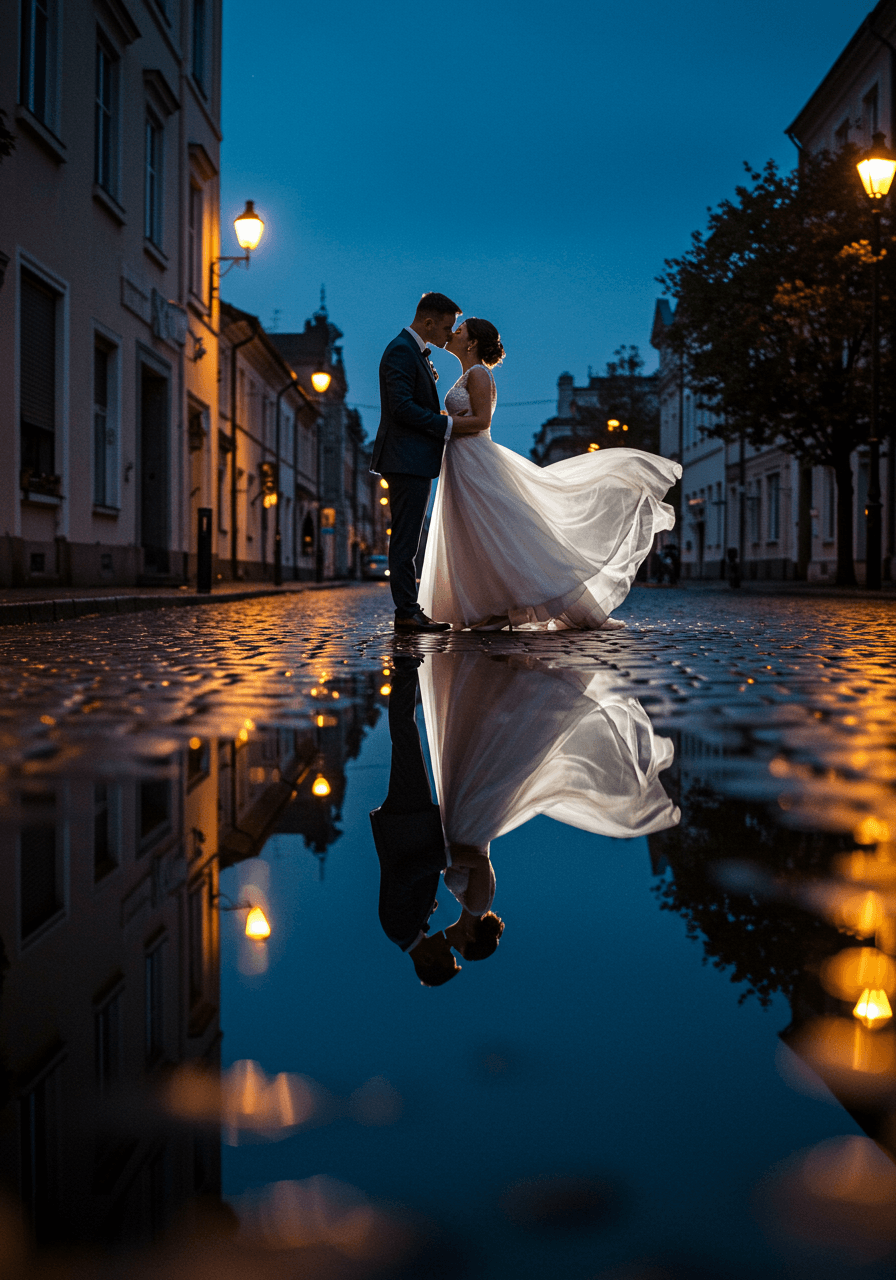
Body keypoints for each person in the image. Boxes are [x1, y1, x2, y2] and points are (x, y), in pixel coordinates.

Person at [418, 318, 682, 631]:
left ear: (472, 342)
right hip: (462, 461)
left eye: (459, 331)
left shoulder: (477, 373)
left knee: (494, 531)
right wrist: (445, 417)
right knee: (475, 532)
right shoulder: (467, 375)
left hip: (475, 459)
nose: (452, 333)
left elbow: (481, 422)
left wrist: (438, 422)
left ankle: (507, 607)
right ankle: (489, 606)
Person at [370, 292, 481, 634]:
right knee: (406, 539)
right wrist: (445, 424)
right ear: (429, 322)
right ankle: (406, 611)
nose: (450, 334)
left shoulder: (411, 351)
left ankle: (409, 609)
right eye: (447, 327)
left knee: (408, 537)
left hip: (411, 457)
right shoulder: (402, 351)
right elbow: (401, 408)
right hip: (405, 458)